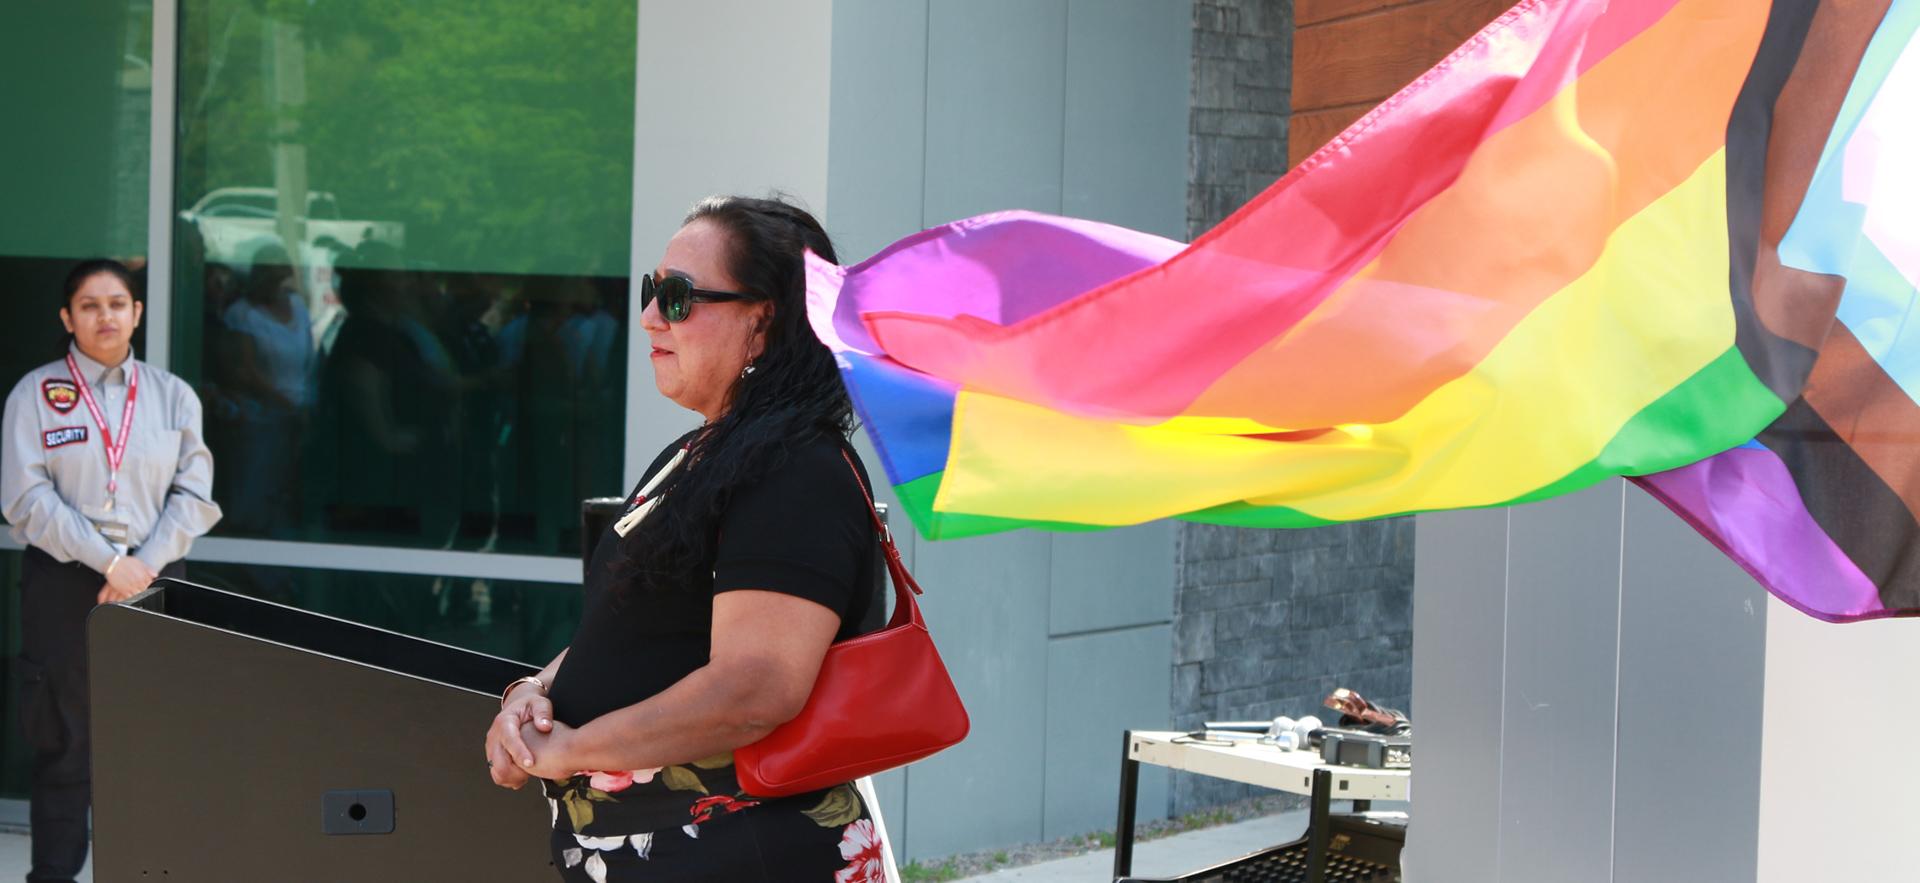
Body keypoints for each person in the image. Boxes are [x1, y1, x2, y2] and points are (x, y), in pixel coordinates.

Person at [483, 196, 889, 882]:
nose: (648, 316)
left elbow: (754, 689)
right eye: (652, 290)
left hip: (738, 855)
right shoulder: (705, 452)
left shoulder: (794, 470)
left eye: (677, 297)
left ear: (762, 324)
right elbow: (635, 621)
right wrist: (534, 690)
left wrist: (574, 748)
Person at [1, 259, 222, 883]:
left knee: (154, 737)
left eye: (118, 303)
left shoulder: (172, 395)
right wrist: (110, 563)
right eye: (91, 305)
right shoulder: (35, 394)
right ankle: (53, 874)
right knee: (65, 741)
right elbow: (26, 497)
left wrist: (142, 566)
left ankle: (151, 871)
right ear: (67, 318)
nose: (106, 316)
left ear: (137, 314)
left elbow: (194, 496)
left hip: (157, 579)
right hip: (67, 580)